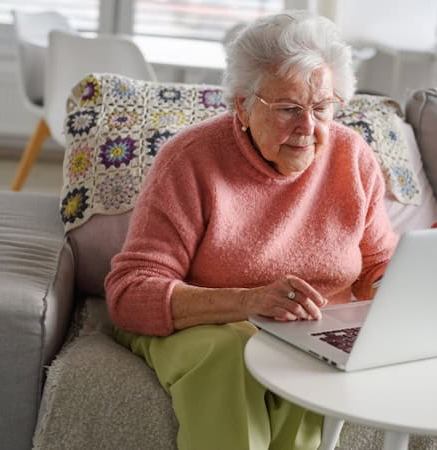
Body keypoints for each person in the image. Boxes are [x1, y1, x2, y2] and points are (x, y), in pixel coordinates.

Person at [105, 10, 399, 450]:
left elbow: (378, 265)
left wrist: (412, 275)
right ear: (242, 105)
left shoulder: (352, 157)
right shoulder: (189, 160)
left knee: (313, 364)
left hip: (306, 334)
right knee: (230, 357)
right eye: (288, 109)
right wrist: (248, 302)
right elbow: (130, 293)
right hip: (203, 326)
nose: (308, 128)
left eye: (322, 108)